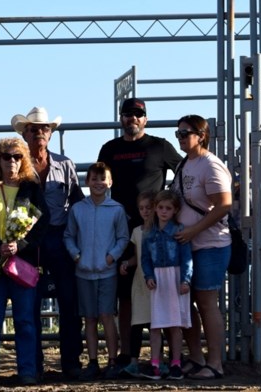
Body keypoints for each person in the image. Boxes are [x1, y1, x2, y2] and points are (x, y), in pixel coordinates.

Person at [97, 98, 182, 369]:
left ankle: (169, 357)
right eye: (127, 114)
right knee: (126, 294)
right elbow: (99, 183)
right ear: (120, 118)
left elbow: (183, 172)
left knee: (163, 288)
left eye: (138, 114)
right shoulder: (110, 148)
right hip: (122, 231)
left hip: (156, 230)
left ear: (145, 118)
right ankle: (127, 353)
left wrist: (171, 207)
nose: (132, 118)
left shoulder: (160, 146)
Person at [11, 106, 84, 378]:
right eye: (33, 129)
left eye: (43, 128)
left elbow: (75, 201)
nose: (39, 133)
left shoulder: (65, 165)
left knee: (69, 301)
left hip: (59, 237)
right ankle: (34, 364)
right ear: (25, 133)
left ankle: (71, 363)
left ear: (50, 134)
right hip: (28, 242)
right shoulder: (16, 165)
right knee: (29, 303)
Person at [0, 138, 47, 386]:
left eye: (17, 157)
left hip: (22, 264)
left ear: (23, 160)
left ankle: (27, 371)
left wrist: (20, 245)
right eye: (6, 156)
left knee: (25, 321)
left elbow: (41, 226)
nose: (12, 161)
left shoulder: (32, 189)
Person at [171, 115, 231, 380]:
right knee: (188, 302)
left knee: (206, 301)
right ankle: (196, 357)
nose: (181, 138)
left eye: (185, 133)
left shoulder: (210, 165)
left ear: (201, 135)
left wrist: (194, 229)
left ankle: (215, 362)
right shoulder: (185, 164)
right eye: (178, 134)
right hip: (188, 244)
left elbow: (224, 205)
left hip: (210, 243)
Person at [64, 162, 129, 381]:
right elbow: (69, 236)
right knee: (90, 318)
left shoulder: (117, 210)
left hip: (108, 272)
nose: (98, 183)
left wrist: (111, 256)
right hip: (83, 273)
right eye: (94, 179)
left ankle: (112, 360)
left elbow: (123, 238)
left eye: (103, 179)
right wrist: (76, 256)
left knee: (107, 316)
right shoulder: (78, 209)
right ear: (87, 181)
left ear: (110, 182)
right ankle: (93, 362)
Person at [141, 190, 192, 381]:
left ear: (175, 210)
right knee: (156, 324)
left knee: (175, 325)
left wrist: (185, 279)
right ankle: (155, 364)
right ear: (155, 208)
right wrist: (148, 276)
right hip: (158, 280)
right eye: (160, 207)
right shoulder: (149, 233)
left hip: (175, 277)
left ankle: (176, 363)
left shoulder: (179, 231)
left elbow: (187, 258)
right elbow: (145, 258)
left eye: (168, 208)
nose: (163, 211)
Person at [119, 190, 155, 378]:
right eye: (142, 208)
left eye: (149, 207)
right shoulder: (136, 231)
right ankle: (134, 361)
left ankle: (158, 361)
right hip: (140, 283)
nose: (145, 211)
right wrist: (127, 263)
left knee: (158, 325)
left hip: (157, 284)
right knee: (137, 323)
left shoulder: (162, 230)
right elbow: (137, 256)